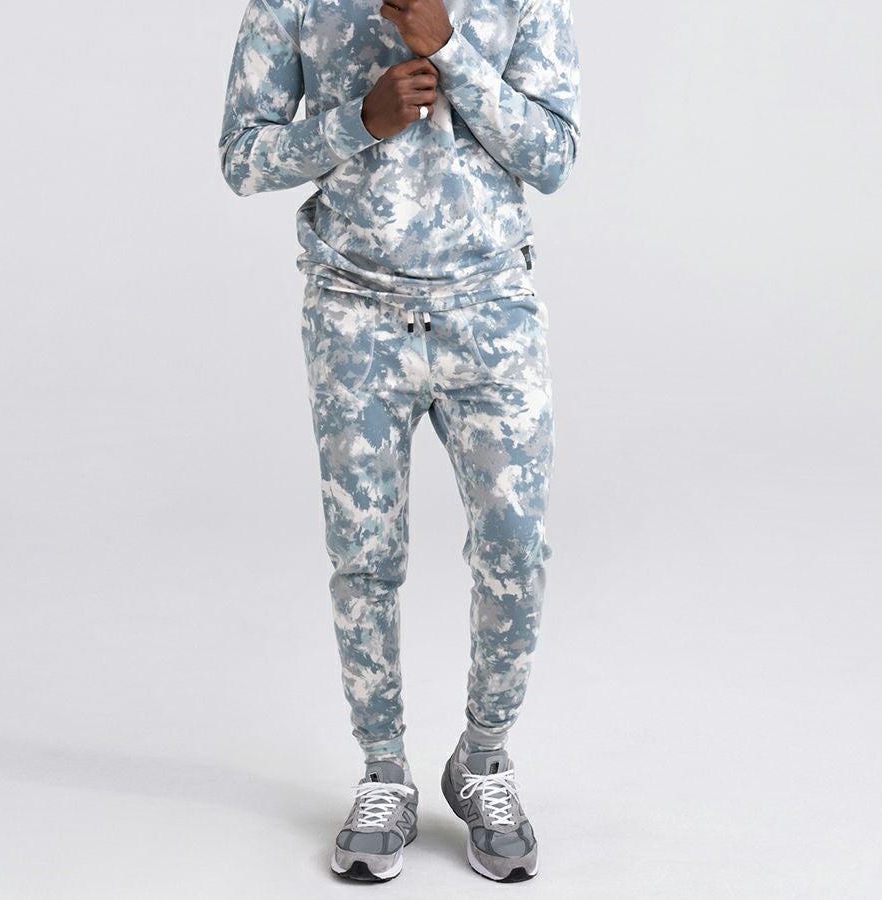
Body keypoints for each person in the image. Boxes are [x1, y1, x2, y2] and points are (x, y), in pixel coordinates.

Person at [218, 0, 581, 883]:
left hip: (490, 309)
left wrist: (450, 51)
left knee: (515, 548)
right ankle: (383, 772)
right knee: (365, 558)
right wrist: (360, 121)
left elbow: (554, 158)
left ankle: (483, 759)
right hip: (355, 314)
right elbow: (242, 159)